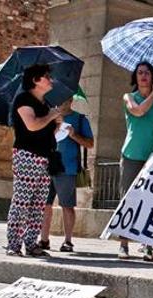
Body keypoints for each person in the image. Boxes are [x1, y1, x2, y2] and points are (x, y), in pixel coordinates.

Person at [6, 64, 62, 257]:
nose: (50, 79)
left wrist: (56, 124)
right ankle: (14, 245)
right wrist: (50, 116)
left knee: (38, 204)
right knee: (22, 201)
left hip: (45, 157)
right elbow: (31, 125)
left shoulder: (45, 104)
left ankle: (31, 243)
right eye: (47, 76)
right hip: (27, 155)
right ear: (35, 80)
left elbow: (46, 133)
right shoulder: (23, 100)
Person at [119, 62, 153, 261]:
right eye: (140, 73)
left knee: (150, 202)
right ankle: (123, 245)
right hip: (131, 154)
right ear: (135, 77)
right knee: (127, 200)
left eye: (147, 72)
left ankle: (147, 246)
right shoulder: (129, 97)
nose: (143, 76)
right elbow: (138, 112)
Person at [39, 98, 94, 252]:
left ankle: (68, 241)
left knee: (67, 205)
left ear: (71, 100)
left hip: (67, 167)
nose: (62, 101)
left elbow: (90, 143)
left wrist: (73, 134)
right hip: (47, 165)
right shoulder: (49, 116)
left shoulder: (80, 119)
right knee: (45, 204)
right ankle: (44, 239)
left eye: (66, 98)